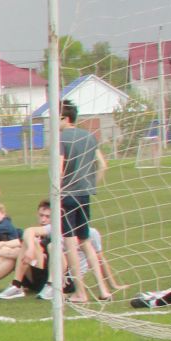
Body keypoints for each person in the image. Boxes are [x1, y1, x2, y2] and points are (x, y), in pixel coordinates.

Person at [59, 101, 106, 287]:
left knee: (70, 244)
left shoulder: (61, 139)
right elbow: (102, 165)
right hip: (85, 194)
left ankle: (80, 292)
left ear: (65, 118)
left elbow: (59, 168)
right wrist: (91, 185)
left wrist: (57, 189)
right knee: (85, 241)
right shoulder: (89, 137)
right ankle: (103, 290)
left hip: (68, 194)